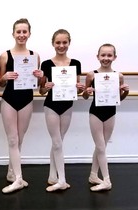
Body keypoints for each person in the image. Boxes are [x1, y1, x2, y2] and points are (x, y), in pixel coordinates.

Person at [0, 18, 43, 194]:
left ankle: (11, 172)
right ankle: (18, 178)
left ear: (29, 34)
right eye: (18, 32)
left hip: (26, 99)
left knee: (20, 138)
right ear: (13, 34)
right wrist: (4, 77)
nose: (21, 35)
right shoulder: (5, 55)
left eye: (25, 32)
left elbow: (39, 84)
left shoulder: (35, 55)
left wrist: (41, 76)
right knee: (12, 139)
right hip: (9, 99)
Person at [39, 29, 85, 192]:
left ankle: (52, 176)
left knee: (58, 142)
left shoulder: (75, 63)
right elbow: (41, 91)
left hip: (67, 106)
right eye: (58, 42)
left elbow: (78, 89)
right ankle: (62, 180)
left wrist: (80, 88)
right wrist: (45, 86)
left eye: (64, 42)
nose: (61, 45)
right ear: (53, 44)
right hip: (51, 105)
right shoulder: (45, 64)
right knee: (57, 142)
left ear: (69, 43)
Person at [82, 43, 129, 191]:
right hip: (95, 112)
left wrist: (125, 92)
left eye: (109, 55)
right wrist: (87, 92)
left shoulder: (118, 76)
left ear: (114, 57)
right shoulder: (91, 75)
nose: (106, 58)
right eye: (103, 55)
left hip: (111, 113)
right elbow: (84, 96)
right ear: (98, 56)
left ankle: (93, 175)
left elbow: (118, 99)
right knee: (101, 147)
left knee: (101, 146)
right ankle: (107, 180)